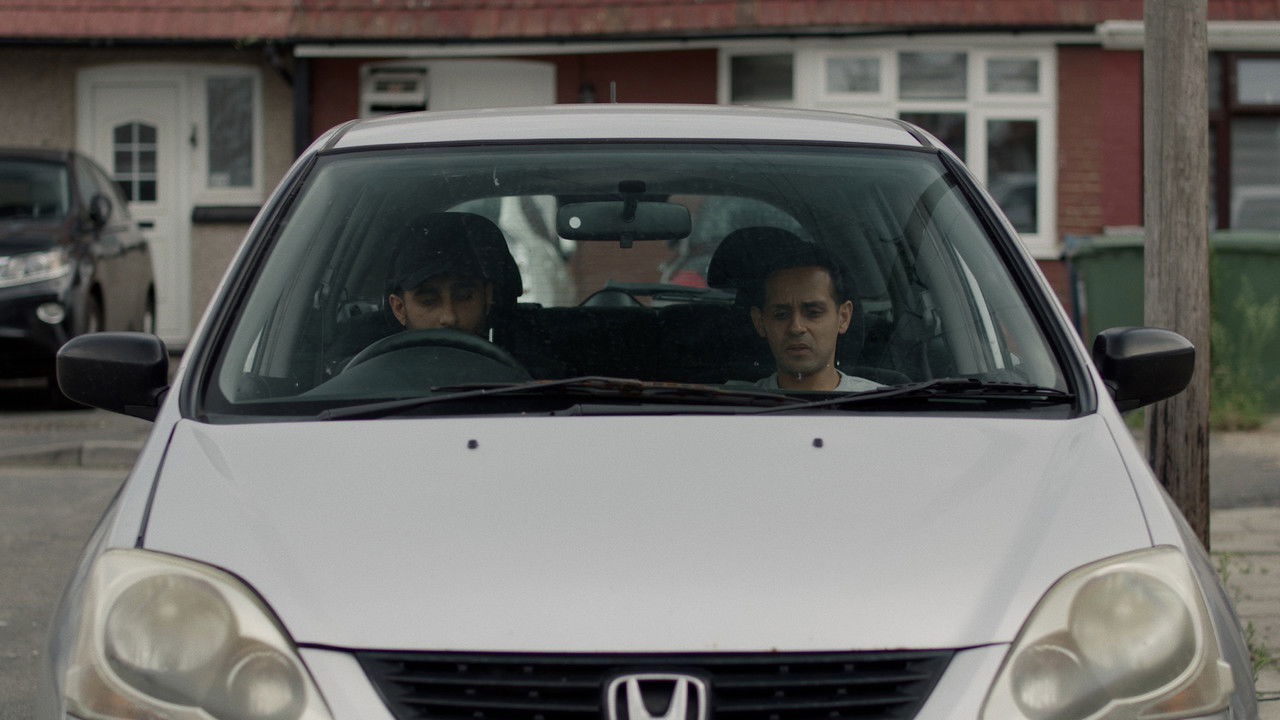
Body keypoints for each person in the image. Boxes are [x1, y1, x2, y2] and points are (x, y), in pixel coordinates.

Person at [708, 226, 881, 392]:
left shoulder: (881, 405)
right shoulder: (730, 404)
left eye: (813, 313)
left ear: (843, 317)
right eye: (781, 315)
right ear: (759, 322)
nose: (796, 328)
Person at [386, 212, 522, 338]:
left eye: (464, 297)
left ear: (487, 296)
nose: (449, 318)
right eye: (428, 301)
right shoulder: (378, 357)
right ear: (399, 308)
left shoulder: (528, 354)